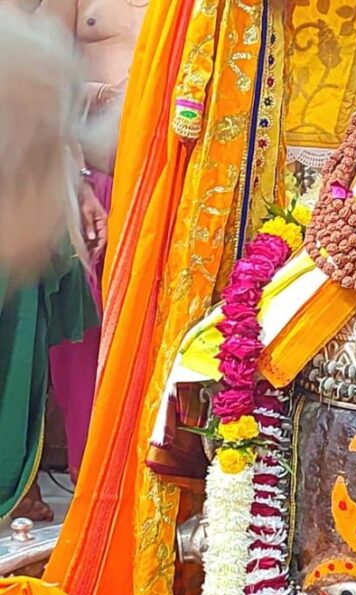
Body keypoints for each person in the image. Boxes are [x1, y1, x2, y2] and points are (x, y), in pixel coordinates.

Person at [0, 4, 105, 522]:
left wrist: (75, 182)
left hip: (24, 191)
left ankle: (16, 485)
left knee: (24, 340)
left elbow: (50, 108)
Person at [40, 0, 148, 486]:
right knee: (84, 343)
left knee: (149, 344)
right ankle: (93, 491)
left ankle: (149, 489)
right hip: (93, 181)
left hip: (167, 188)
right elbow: (38, 74)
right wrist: (106, 94)